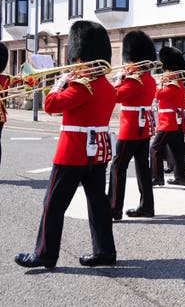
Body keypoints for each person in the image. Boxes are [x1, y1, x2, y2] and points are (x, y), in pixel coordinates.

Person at [15, 20, 117, 269]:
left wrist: (60, 83)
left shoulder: (82, 86)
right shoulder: (107, 86)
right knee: (97, 203)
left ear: (79, 57)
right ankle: (104, 251)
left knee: (52, 204)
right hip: (98, 152)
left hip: (72, 153)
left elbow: (50, 105)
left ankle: (45, 253)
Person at [108, 31, 157, 220]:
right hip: (143, 129)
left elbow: (115, 96)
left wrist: (118, 79)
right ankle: (147, 206)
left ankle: (114, 208)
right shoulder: (149, 79)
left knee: (117, 167)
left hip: (130, 130)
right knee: (142, 168)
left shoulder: (134, 81)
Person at [150, 47, 185, 186]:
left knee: (154, 149)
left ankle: (157, 178)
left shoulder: (173, 85)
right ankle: (180, 178)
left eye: (166, 70)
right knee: (177, 151)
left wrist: (159, 83)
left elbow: (157, 95)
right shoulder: (180, 85)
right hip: (177, 124)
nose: (164, 73)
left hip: (169, 124)